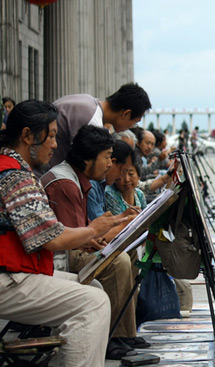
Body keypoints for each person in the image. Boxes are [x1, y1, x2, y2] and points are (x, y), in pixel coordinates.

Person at [0, 100, 124, 367]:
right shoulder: (16, 176)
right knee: (93, 302)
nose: (55, 145)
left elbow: (45, 230)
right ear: (28, 136)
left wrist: (88, 234)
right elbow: (51, 238)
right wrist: (93, 229)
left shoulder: (13, 168)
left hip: (13, 275)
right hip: (7, 281)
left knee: (91, 286)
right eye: (52, 136)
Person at [41, 125, 148, 360]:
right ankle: (112, 337)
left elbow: (84, 229)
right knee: (117, 260)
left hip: (72, 248)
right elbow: (71, 241)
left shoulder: (79, 180)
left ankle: (124, 332)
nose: (110, 164)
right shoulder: (65, 183)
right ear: (89, 158)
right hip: (60, 257)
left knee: (127, 253)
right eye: (107, 157)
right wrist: (98, 233)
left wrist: (117, 221)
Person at [48, 82, 151, 172]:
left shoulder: (88, 101)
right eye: (135, 122)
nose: (132, 127)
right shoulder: (92, 121)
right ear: (126, 114)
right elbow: (85, 169)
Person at [87, 139, 135, 220]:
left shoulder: (101, 184)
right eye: (123, 171)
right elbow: (101, 227)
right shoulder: (91, 187)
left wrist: (123, 216)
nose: (122, 178)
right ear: (111, 163)